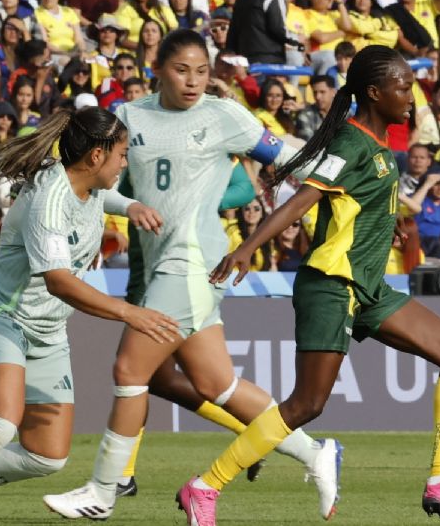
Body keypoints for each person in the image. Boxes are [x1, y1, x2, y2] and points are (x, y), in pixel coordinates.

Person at [196, 44, 440, 524]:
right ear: (374, 92)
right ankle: (205, 486)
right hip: (331, 284)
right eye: (402, 87)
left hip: (367, 288)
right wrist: (247, 246)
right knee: (306, 405)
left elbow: (353, 204)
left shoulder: (379, 145)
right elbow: (303, 201)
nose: (411, 94)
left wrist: (389, 224)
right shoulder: (351, 142)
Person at [43, 29, 341, 522]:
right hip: (169, 266)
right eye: (182, 69)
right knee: (215, 383)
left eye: (202, 71)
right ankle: (315, 451)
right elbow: (94, 182)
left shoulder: (223, 115)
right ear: (157, 67)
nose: (193, 80)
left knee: (129, 370)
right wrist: (130, 203)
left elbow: (294, 161)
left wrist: (349, 187)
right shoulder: (131, 118)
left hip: (193, 260)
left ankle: (102, 490)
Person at [0, 106, 176, 526]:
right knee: (0, 423)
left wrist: (133, 206)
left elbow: (107, 194)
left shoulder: (89, 183)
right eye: (122, 153)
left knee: (47, 456)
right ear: (97, 156)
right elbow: (59, 282)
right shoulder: (49, 199)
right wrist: (130, 312)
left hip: (48, 329)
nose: (126, 162)